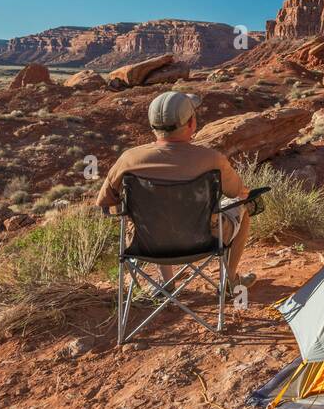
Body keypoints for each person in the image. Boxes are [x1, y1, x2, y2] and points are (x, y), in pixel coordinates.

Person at [96, 91, 253, 294]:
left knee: (158, 217)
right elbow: (237, 192)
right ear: (190, 123)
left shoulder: (129, 159)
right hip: (206, 240)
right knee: (243, 209)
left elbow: (105, 203)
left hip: (148, 243)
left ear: (153, 126)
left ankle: (167, 283)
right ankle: (230, 282)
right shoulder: (212, 159)